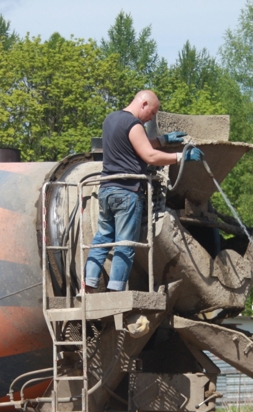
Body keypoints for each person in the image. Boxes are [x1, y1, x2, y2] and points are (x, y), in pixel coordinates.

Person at [83, 90, 204, 292]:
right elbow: (149, 156)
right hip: (127, 192)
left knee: (103, 237)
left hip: (107, 189)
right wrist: (180, 157)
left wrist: (164, 140)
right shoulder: (133, 124)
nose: (151, 118)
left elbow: (135, 145)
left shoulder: (110, 119)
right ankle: (116, 290)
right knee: (125, 242)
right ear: (144, 103)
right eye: (152, 112)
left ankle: (89, 282)